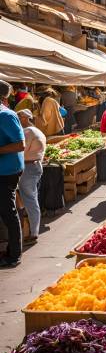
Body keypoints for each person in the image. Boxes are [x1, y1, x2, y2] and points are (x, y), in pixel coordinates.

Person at [0, 80, 25, 268]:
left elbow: (20, 144)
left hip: (6, 171)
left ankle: (14, 254)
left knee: (8, 213)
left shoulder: (6, 115)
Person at [17, 109, 46, 245]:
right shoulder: (36, 130)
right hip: (35, 166)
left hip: (28, 168)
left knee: (30, 200)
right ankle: (30, 230)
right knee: (30, 199)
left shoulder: (27, 132)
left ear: (24, 118)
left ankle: (33, 233)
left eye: (18, 117)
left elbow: (20, 151)